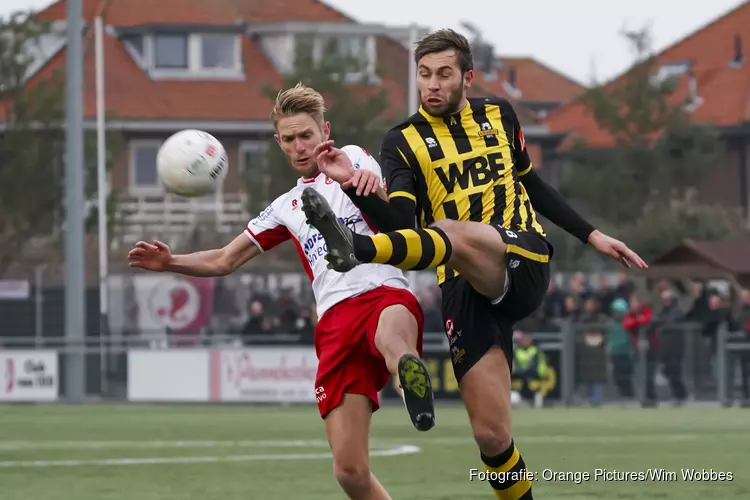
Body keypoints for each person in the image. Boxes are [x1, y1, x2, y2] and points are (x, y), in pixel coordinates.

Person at [300, 29, 647, 500]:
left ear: (467, 77)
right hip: (463, 283)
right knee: (492, 438)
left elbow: (533, 183)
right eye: (424, 75)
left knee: (453, 230)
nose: (432, 86)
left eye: (444, 75)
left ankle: (356, 249)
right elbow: (402, 220)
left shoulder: (499, 114)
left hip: (521, 253)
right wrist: (353, 184)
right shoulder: (401, 141)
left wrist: (593, 234)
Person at [127, 83, 435, 500]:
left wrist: (363, 182)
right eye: (289, 139)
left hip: (381, 288)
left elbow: (395, 212)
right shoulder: (283, 208)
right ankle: (405, 373)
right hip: (334, 321)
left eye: (306, 135)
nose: (299, 146)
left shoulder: (355, 159)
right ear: (279, 143)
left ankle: (409, 378)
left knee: (392, 340)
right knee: (349, 472)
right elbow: (224, 259)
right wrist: (171, 262)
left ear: (325, 130)